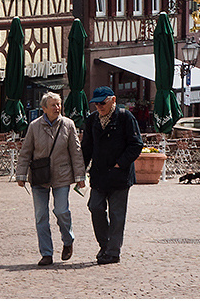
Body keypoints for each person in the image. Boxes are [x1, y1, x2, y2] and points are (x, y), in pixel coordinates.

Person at [16, 91, 86, 265]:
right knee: (41, 216)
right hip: (40, 176)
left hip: (61, 175)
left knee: (61, 210)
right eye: (53, 105)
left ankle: (68, 240)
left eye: (59, 104)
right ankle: (46, 253)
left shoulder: (68, 125)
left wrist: (80, 176)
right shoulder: (34, 126)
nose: (57, 108)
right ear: (44, 108)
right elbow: (26, 152)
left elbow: (76, 153)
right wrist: (21, 174)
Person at [80, 86, 142, 266]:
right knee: (95, 207)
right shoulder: (91, 120)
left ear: (113, 100)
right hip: (99, 175)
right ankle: (105, 245)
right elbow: (87, 148)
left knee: (117, 214)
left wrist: (120, 163)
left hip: (119, 175)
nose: (99, 106)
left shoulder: (125, 117)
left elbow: (136, 145)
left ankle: (113, 252)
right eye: (96, 103)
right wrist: (80, 171)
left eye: (102, 103)